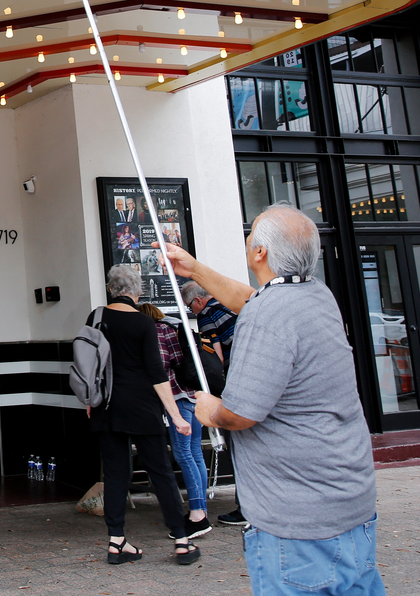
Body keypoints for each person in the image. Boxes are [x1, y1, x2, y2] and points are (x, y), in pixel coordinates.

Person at [166, 205, 385, 596]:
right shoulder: (314, 296)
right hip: (350, 505)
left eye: (251, 236)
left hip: (298, 523)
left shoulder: (269, 316)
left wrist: (209, 409)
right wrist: (194, 269)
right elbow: (252, 299)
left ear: (260, 253)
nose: (248, 240)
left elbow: (241, 413)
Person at [89, 265, 199, 566]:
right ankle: (181, 540)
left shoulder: (96, 318)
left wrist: (89, 400)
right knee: (160, 472)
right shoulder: (143, 323)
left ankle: (116, 541)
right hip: (141, 408)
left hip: (105, 406)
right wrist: (176, 415)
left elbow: (90, 363)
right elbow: (157, 374)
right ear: (137, 291)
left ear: (111, 289)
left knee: (115, 474)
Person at [142, 302, 211, 539]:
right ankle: (201, 509)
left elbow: (161, 363)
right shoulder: (177, 327)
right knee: (196, 454)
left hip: (177, 397)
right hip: (194, 396)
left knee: (183, 455)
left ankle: (197, 515)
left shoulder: (157, 331)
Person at [181, 281, 243, 526]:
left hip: (235, 381)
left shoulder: (207, 315)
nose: (191, 311)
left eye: (189, 307)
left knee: (239, 446)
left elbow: (215, 359)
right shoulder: (231, 304)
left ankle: (246, 508)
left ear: (197, 301)